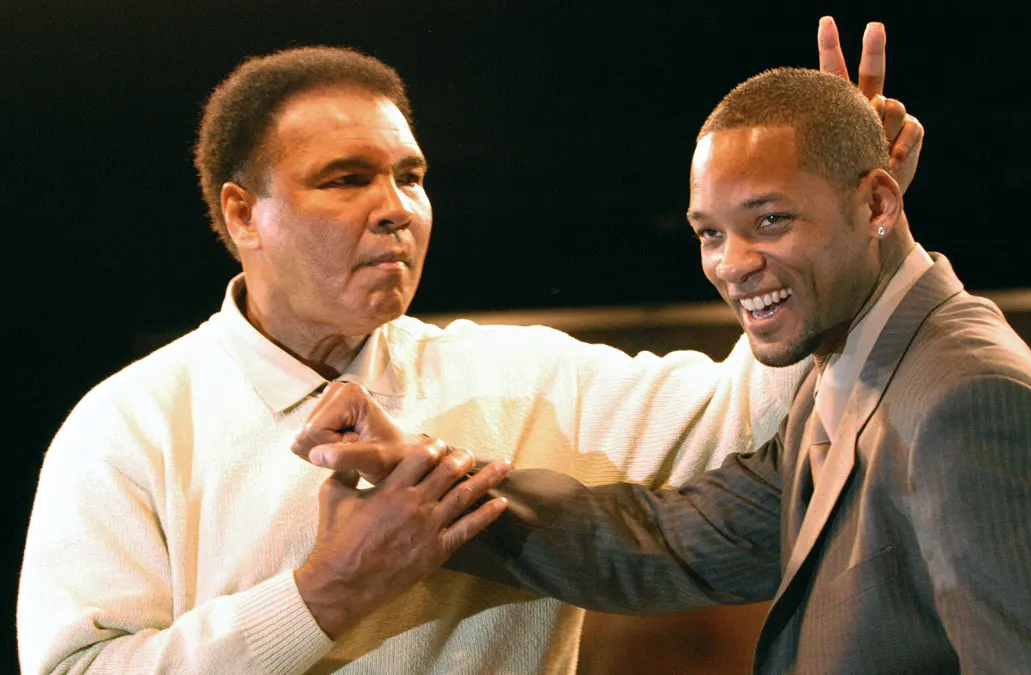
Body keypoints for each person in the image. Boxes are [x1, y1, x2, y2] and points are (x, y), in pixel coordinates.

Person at [16, 17, 920, 675]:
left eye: (411, 175)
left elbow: (751, 419)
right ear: (242, 213)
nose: (396, 207)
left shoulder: (520, 377)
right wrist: (321, 595)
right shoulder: (127, 428)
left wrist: (845, 223)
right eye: (346, 178)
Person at [295, 67, 1031, 673]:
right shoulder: (844, 367)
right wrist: (413, 478)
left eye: (770, 220)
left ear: (879, 203)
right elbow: (662, 542)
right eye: (709, 232)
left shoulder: (972, 399)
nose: (732, 264)